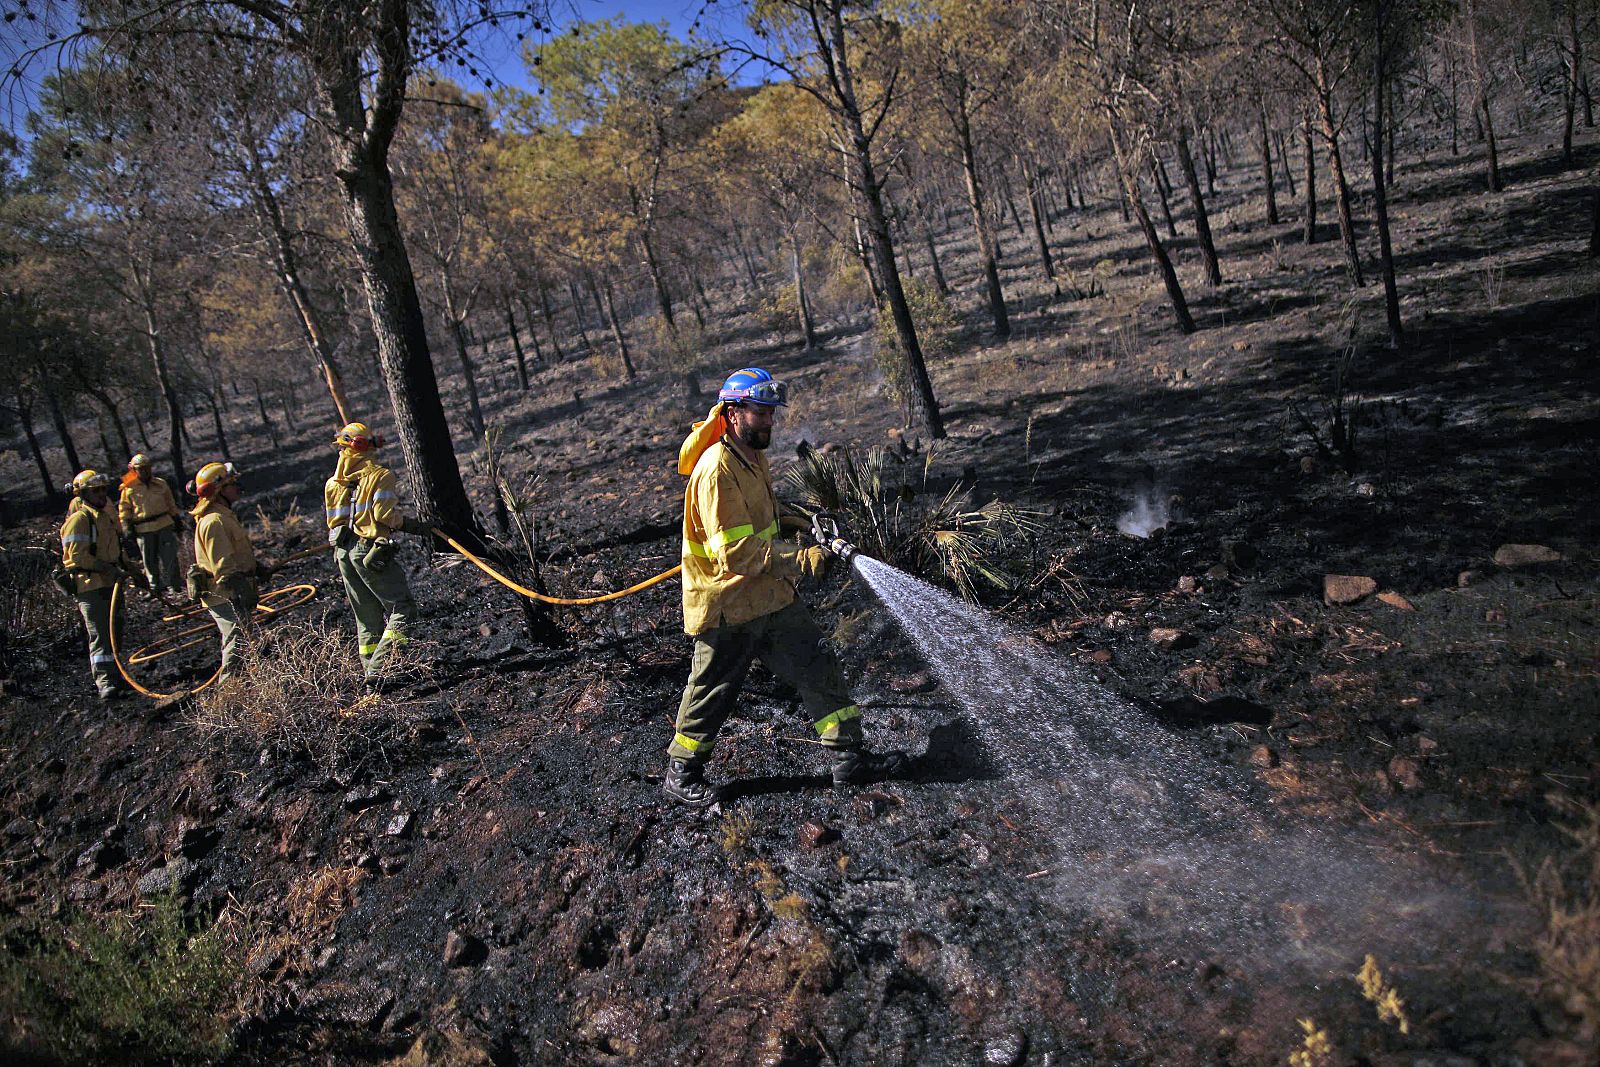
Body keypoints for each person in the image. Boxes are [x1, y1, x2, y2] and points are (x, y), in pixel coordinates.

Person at [665, 367, 907, 806]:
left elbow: (761, 519)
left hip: (770, 596)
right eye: (761, 413)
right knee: (712, 691)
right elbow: (734, 555)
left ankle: (848, 758)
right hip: (728, 605)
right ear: (733, 412)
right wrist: (804, 559)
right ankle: (681, 773)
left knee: (817, 663)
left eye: (772, 413)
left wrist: (794, 520)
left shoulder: (749, 455)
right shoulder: (716, 471)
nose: (770, 423)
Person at [323, 422, 429, 681]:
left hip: (343, 555)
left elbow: (333, 521)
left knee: (367, 617)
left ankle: (371, 676)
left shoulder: (332, 484)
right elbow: (384, 515)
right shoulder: (381, 475)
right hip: (369, 551)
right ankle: (380, 671)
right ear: (369, 446)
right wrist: (414, 526)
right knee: (403, 609)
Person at [60, 469, 145, 701]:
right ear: (83, 494)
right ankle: (105, 682)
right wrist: (108, 568)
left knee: (115, 630)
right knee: (100, 634)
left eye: (102, 489)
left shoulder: (104, 517)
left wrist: (134, 571)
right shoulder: (80, 519)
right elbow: (77, 557)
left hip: (111, 583)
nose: (101, 494)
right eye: (94, 491)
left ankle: (118, 676)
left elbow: (116, 551)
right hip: (90, 587)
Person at [188, 462, 270, 681]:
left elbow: (234, 553)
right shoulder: (214, 521)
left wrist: (255, 568)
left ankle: (242, 687)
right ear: (219, 490)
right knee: (237, 639)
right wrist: (243, 589)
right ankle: (228, 694)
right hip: (224, 594)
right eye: (231, 484)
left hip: (229, 592)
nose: (237, 488)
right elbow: (224, 567)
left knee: (243, 637)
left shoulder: (223, 516)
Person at [118, 453, 183, 600]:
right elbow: (124, 509)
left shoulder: (161, 484)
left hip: (164, 524)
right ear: (134, 470)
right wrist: (126, 526)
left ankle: (175, 585)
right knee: (149, 561)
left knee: (170, 557)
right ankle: (155, 588)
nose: (145, 471)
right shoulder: (129, 488)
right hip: (143, 528)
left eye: (147, 468)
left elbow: (171, 503)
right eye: (140, 468)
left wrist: (177, 519)